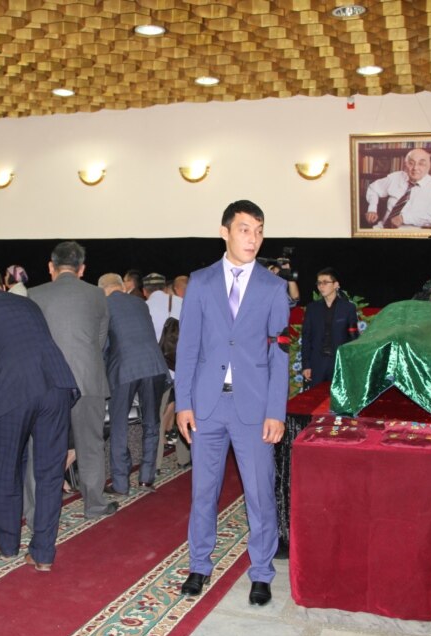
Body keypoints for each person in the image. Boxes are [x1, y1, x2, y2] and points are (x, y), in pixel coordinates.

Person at [175, 199, 290, 607]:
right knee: (203, 492)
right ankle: (199, 565)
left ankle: (261, 571)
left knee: (259, 493)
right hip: (206, 406)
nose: (253, 238)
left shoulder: (274, 288)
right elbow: (187, 348)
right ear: (224, 232)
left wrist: (276, 411)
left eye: (258, 231)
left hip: (253, 408)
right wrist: (183, 402)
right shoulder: (201, 282)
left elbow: (280, 353)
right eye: (244, 230)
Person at [0, 266, 78, 570]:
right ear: (2, 285)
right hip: (56, 387)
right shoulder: (27, 304)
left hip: (12, 395)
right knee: (50, 474)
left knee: (7, 469)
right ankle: (43, 554)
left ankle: (8, 543)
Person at [30, 242, 117, 519]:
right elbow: (100, 340)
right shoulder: (97, 294)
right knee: (90, 444)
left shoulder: (34, 295)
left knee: (43, 447)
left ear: (51, 266)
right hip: (88, 379)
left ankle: (38, 511)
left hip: (48, 383)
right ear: (82, 269)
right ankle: (94, 505)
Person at [98, 273, 169, 494]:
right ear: (121, 286)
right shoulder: (140, 303)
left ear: (102, 290)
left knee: (119, 425)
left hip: (124, 369)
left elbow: (104, 344)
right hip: (154, 366)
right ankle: (146, 478)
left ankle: (120, 483)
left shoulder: (103, 305)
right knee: (151, 422)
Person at [300, 268, 359, 387]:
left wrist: (351, 363)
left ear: (336, 285)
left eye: (325, 282)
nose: (321, 286)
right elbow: (306, 338)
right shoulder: (312, 308)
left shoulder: (348, 308)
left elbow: (353, 338)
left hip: (339, 362)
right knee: (315, 396)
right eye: (319, 283)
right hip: (317, 363)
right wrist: (306, 365)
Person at [365, 148, 431, 229]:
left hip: (410, 233)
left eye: (421, 164)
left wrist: (403, 218)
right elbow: (373, 188)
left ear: (429, 166)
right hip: (382, 228)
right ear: (405, 164)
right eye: (411, 163)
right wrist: (372, 208)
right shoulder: (396, 177)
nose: (415, 168)